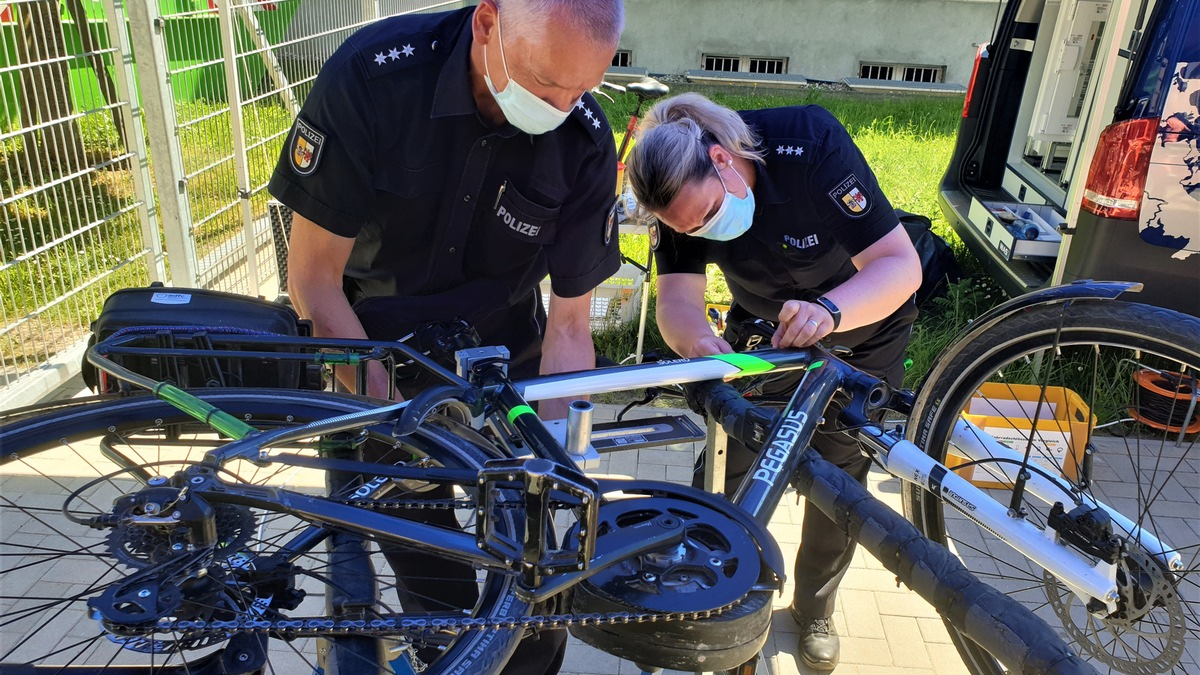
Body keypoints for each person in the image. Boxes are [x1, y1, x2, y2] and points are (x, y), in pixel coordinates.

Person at [267, 1, 624, 673]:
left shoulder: (580, 134)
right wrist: (402, 421)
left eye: (584, 88)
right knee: (437, 587)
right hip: (370, 360)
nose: (563, 104)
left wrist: (546, 461)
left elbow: (571, 325)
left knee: (535, 597)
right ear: (489, 21)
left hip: (506, 362)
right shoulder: (373, 78)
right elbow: (314, 284)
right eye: (549, 84)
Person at [625, 92, 922, 672]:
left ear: (722, 158)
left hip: (861, 324)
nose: (707, 229)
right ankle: (720, 604)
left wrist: (829, 312)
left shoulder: (809, 144)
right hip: (766, 340)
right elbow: (677, 304)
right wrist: (699, 344)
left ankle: (814, 607)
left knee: (839, 481)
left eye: (710, 215)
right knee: (729, 471)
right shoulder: (678, 196)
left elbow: (899, 265)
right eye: (690, 227)